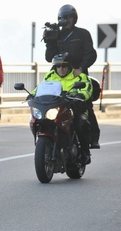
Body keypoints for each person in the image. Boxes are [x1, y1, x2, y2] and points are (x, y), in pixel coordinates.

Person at [43, 4, 100, 149]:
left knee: (84, 105)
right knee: (51, 103)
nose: (67, 20)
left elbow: (91, 54)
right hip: (60, 75)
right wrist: (49, 41)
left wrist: (81, 68)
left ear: (74, 18)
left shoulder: (83, 34)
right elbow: (49, 58)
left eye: (70, 17)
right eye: (64, 18)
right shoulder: (56, 34)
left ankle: (92, 138)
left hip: (78, 75)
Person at [31, 53, 92, 164]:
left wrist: (81, 94)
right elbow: (40, 88)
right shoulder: (50, 76)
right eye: (58, 66)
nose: (61, 69)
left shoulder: (79, 76)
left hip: (74, 108)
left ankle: (84, 152)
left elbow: (87, 89)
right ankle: (47, 148)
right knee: (38, 119)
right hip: (55, 107)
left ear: (69, 66)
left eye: (64, 66)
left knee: (81, 123)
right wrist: (31, 95)